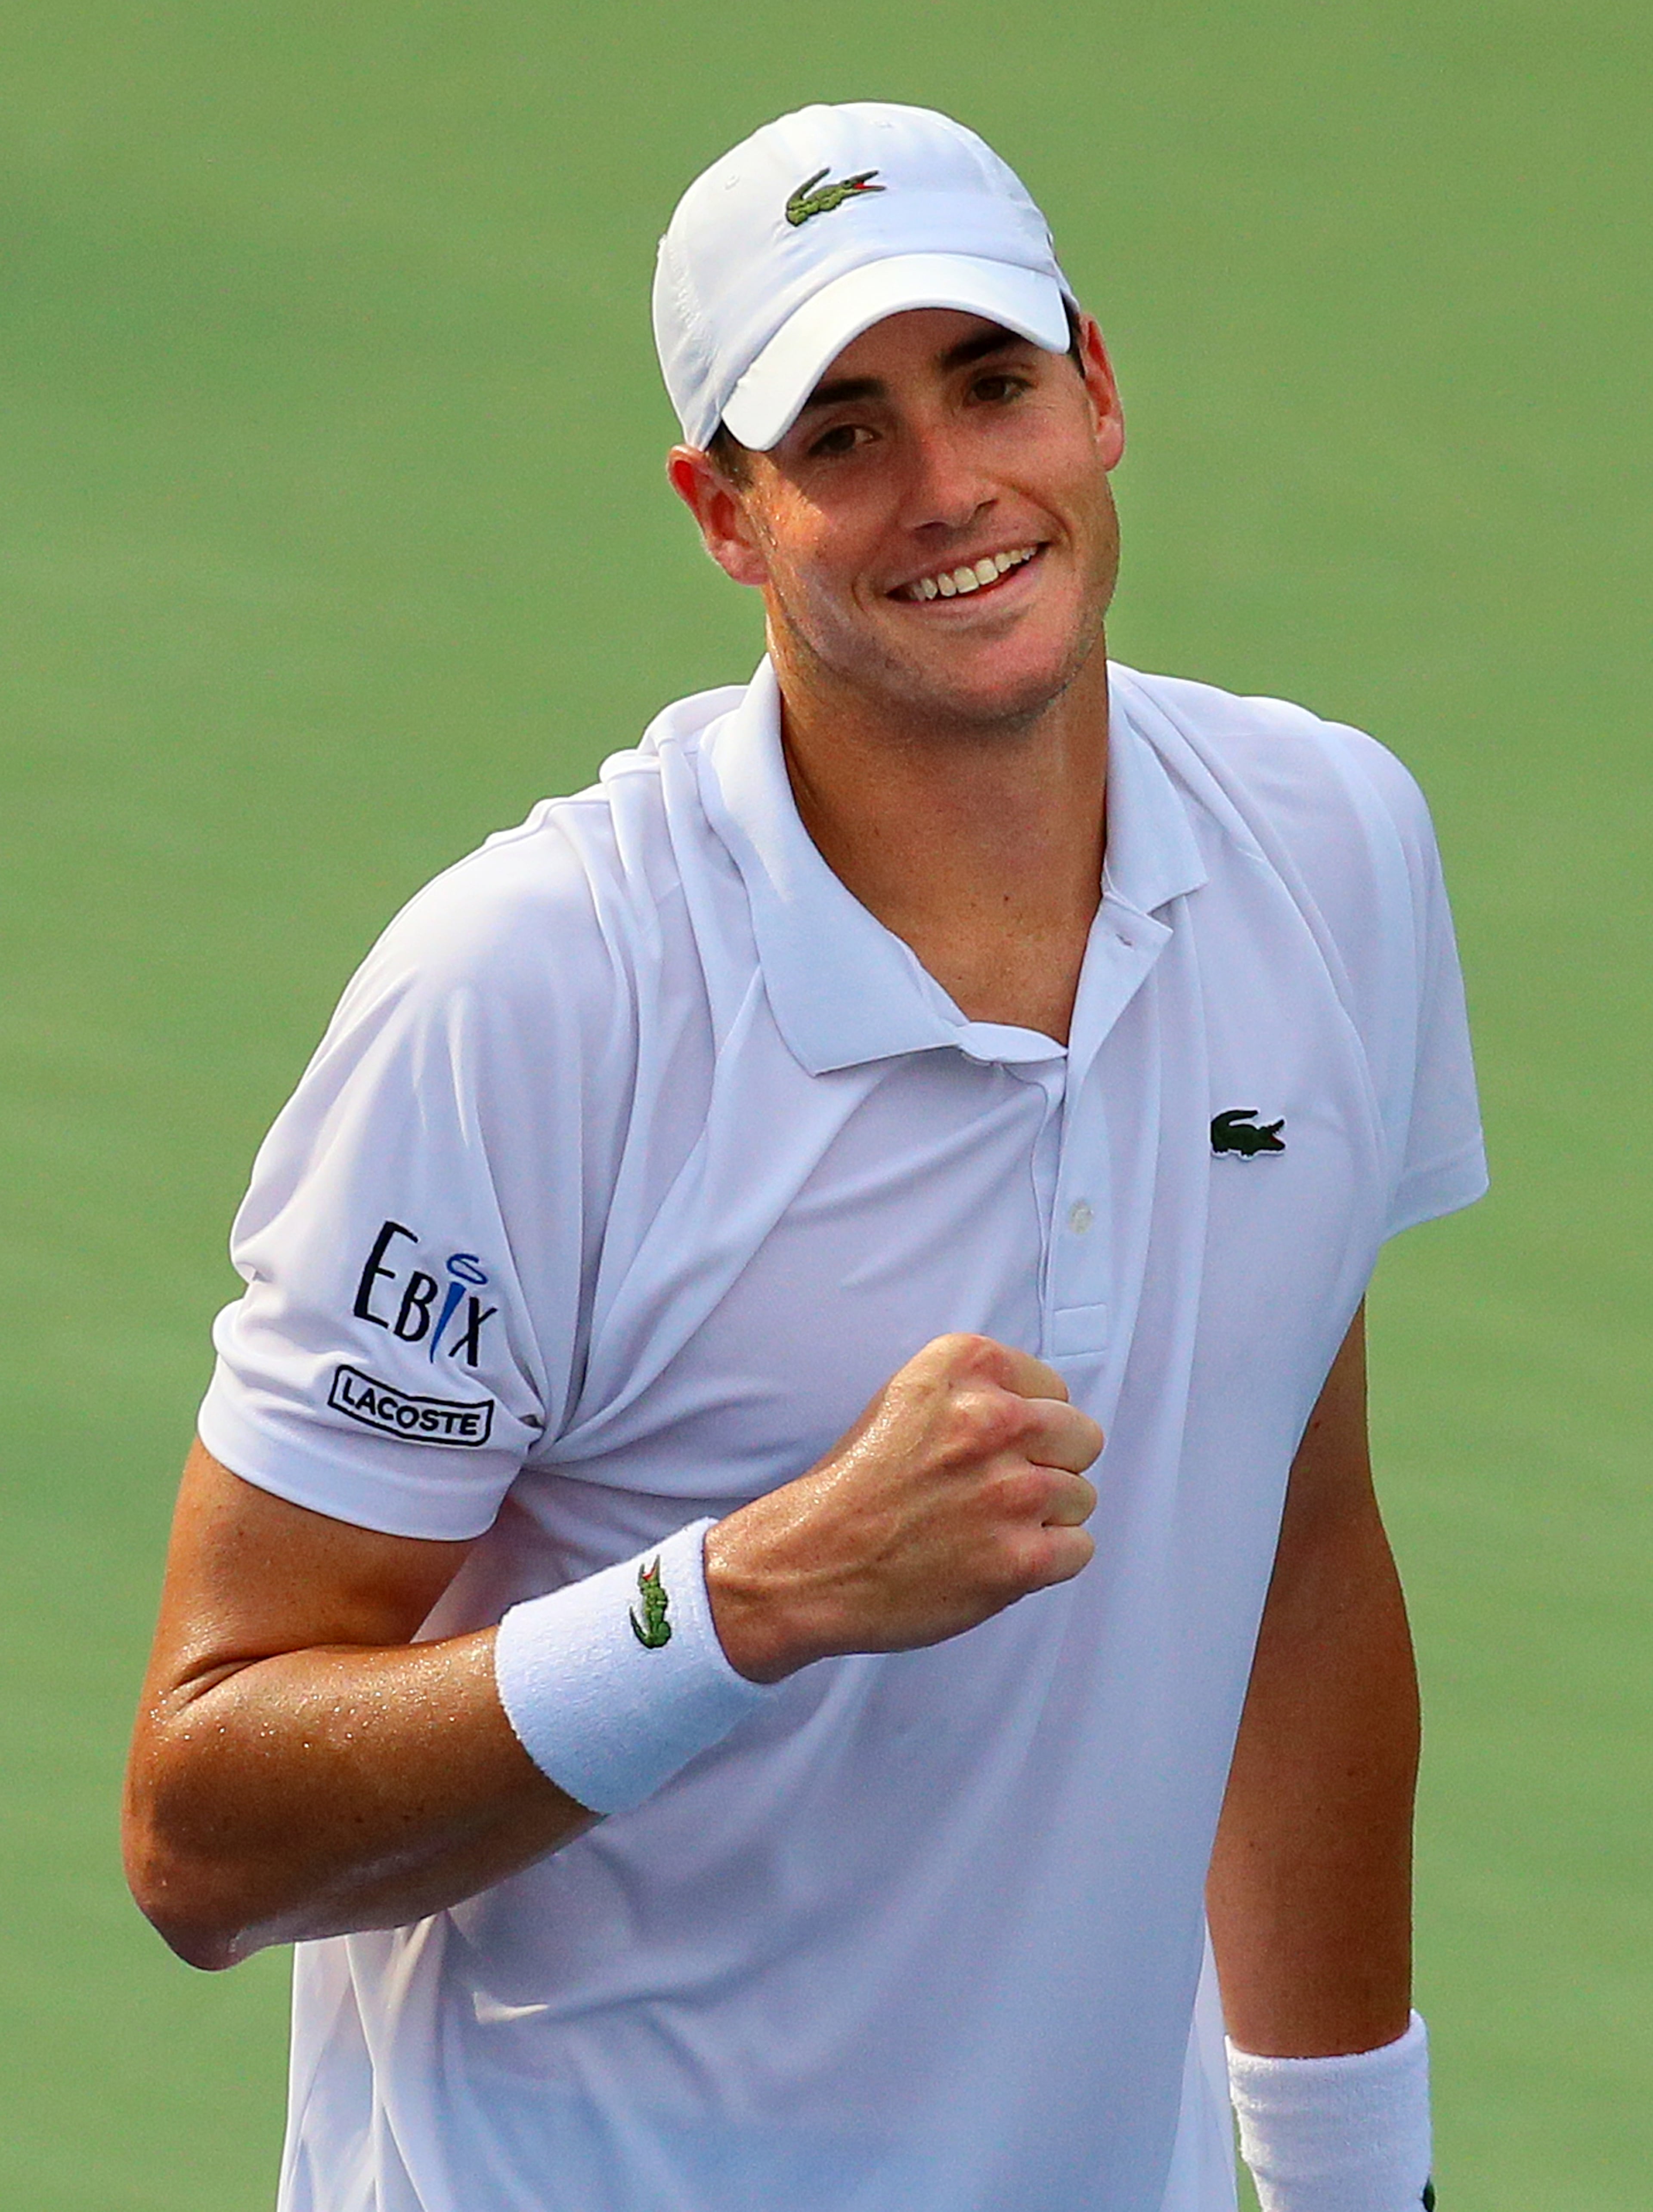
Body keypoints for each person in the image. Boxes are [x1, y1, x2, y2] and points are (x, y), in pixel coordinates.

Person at [124, 101, 1485, 2212]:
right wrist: (741, 1600)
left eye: (991, 383)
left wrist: (1355, 2184)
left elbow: (1292, 1554)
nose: (949, 486)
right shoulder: (527, 1000)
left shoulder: (1336, 854)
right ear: (725, 516)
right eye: (840, 434)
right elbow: (204, 1824)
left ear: (1098, 390)